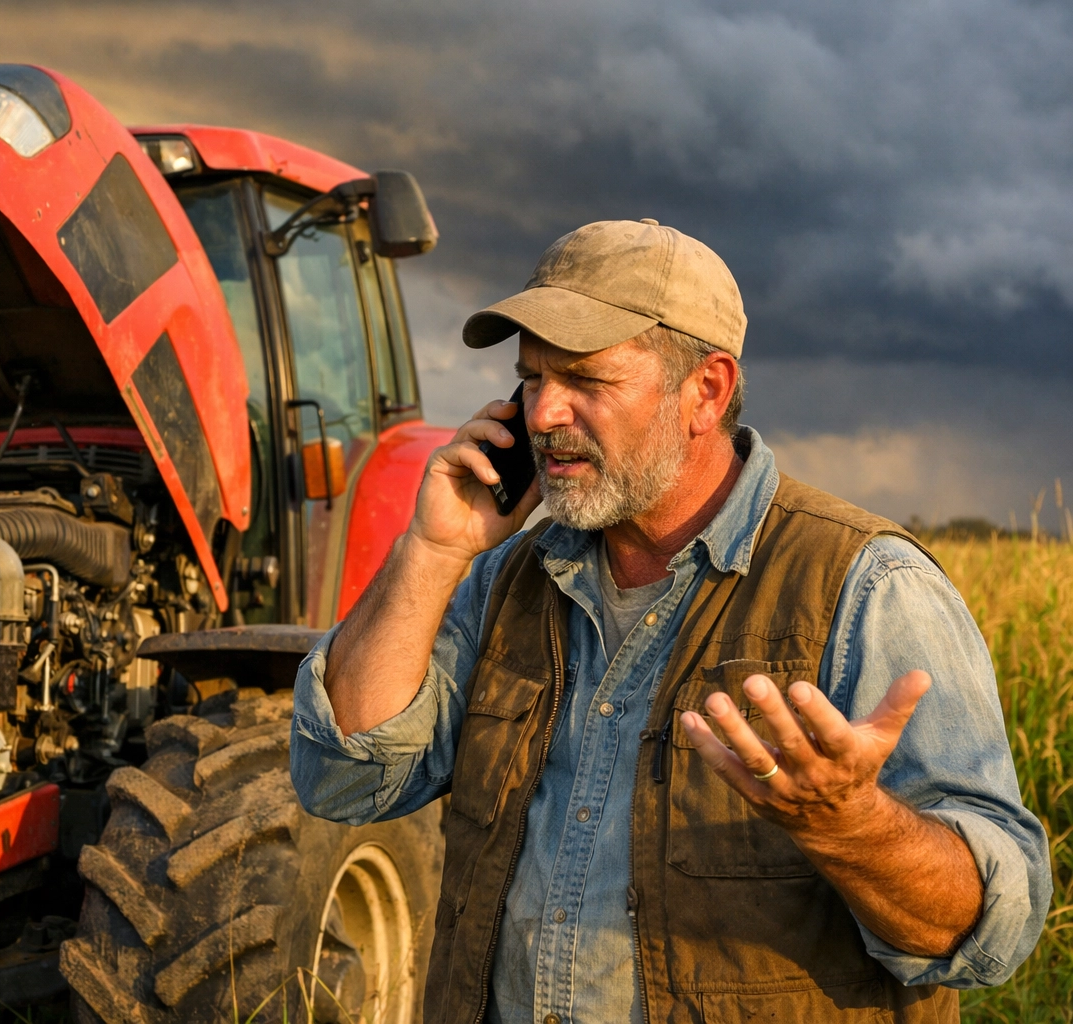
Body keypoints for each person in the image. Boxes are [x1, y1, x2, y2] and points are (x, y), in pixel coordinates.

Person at [289, 219, 1050, 1023]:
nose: (543, 413)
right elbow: (342, 783)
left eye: (586, 379)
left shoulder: (867, 585)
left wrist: (850, 828)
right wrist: (433, 550)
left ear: (707, 392)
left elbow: (995, 933)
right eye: (531, 377)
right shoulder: (501, 577)